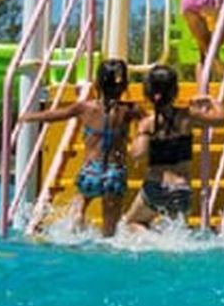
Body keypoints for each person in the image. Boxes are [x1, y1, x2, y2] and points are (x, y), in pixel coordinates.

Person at [18, 58, 142, 236]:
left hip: (91, 170)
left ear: (98, 83)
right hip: (114, 171)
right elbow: (150, 123)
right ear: (124, 84)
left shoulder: (85, 107)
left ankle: (74, 228)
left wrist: (29, 117)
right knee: (110, 226)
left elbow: (56, 115)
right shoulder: (130, 110)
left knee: (80, 204)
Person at [123, 63, 224, 233]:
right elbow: (222, 120)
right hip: (181, 189)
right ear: (175, 91)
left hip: (155, 187)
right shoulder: (187, 117)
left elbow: (137, 155)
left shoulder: (148, 123)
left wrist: (142, 132)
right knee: (178, 235)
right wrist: (211, 100)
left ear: (149, 93)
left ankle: (154, 241)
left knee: (131, 223)